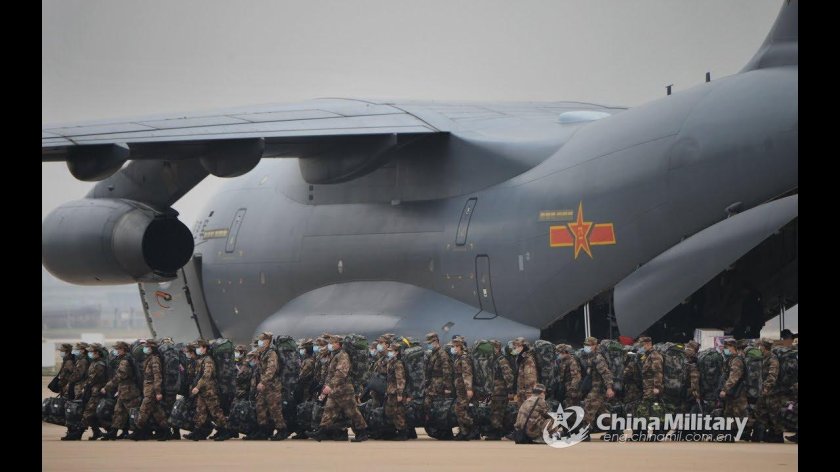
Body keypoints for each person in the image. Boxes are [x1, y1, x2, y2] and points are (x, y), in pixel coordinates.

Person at [309, 334, 369, 442]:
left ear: (339, 344)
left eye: (333, 343)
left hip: (344, 389)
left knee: (352, 412)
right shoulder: (335, 354)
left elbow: (341, 373)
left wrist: (330, 386)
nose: (331, 345)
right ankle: (321, 432)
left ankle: (362, 432)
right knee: (329, 410)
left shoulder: (343, 355)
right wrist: (326, 386)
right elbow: (331, 373)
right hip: (335, 389)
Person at [186, 339, 232, 441]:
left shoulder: (208, 360)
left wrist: (197, 387)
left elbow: (207, 375)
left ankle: (225, 431)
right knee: (200, 411)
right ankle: (197, 432)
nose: (198, 349)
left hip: (209, 390)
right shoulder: (202, 360)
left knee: (215, 412)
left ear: (204, 348)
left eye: (199, 347)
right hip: (203, 391)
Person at [248, 332, 288, 441]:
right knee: (260, 407)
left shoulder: (271, 353)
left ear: (268, 341)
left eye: (262, 340)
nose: (260, 342)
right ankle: (263, 430)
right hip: (263, 386)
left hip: (272, 386)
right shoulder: (262, 352)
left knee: (274, 409)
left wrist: (263, 382)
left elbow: (271, 369)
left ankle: (282, 430)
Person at [130, 339, 171, 440]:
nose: (145, 348)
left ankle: (138, 431)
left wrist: (158, 392)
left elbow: (157, 376)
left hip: (151, 390)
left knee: (143, 411)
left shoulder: (154, 360)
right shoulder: (149, 358)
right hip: (148, 389)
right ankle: (166, 431)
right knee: (157, 412)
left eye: (147, 347)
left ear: (152, 348)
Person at [100, 341, 141, 440]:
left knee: (133, 413)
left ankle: (139, 431)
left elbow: (119, 377)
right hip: (123, 391)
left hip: (129, 391)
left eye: (118, 349)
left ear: (123, 349)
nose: (117, 351)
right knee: (118, 412)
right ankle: (113, 432)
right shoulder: (124, 359)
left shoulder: (125, 361)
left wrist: (106, 387)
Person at [581, 337, 614, 440]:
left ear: (595, 345)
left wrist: (609, 388)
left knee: (588, 407)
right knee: (602, 411)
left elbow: (606, 373)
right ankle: (616, 430)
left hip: (598, 388)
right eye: (586, 345)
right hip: (594, 387)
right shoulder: (590, 356)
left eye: (589, 345)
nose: (587, 347)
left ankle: (585, 434)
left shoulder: (598, 358)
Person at [752, 338, 783, 443]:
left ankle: (778, 436)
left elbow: (773, 374)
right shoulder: (763, 357)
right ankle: (764, 435)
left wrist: (766, 387)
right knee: (761, 412)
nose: (759, 348)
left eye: (760, 346)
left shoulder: (772, 359)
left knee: (774, 414)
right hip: (764, 391)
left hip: (772, 392)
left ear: (764, 347)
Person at [635, 336, 664, 441]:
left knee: (651, 410)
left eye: (641, 345)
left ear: (647, 344)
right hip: (647, 387)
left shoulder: (654, 355)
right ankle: (645, 433)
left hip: (652, 388)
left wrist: (657, 387)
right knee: (649, 410)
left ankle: (656, 433)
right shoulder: (646, 356)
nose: (640, 347)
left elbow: (658, 372)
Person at [719, 338, 748, 442]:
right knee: (729, 413)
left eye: (727, 347)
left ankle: (744, 434)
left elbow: (734, 377)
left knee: (738, 413)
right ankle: (729, 436)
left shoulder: (737, 360)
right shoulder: (731, 359)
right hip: (733, 391)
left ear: (733, 347)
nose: (726, 349)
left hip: (737, 392)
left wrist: (725, 389)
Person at [485, 339, 514, 440]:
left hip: (501, 391)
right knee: (496, 411)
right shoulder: (494, 359)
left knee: (497, 411)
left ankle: (496, 433)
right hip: (495, 390)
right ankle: (498, 430)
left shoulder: (502, 360)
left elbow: (508, 376)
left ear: (496, 348)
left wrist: (510, 391)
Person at [451, 337, 477, 440]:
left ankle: (473, 427)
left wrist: (469, 388)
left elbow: (467, 373)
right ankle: (464, 431)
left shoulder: (464, 358)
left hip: (464, 389)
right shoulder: (458, 357)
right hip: (460, 388)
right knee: (460, 410)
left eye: (455, 346)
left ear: (460, 346)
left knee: (460, 409)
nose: (454, 348)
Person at [422, 332, 453, 418]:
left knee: (437, 408)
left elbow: (447, 371)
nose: (428, 345)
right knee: (428, 406)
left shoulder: (442, 354)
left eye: (429, 343)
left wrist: (447, 388)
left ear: (436, 341)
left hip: (439, 386)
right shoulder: (433, 353)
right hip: (433, 385)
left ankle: (438, 427)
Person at [384, 342, 408, 440]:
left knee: (398, 412)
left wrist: (400, 393)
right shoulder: (391, 362)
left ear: (397, 352)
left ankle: (402, 432)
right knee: (391, 412)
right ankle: (396, 430)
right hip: (391, 390)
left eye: (391, 351)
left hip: (395, 391)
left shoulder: (398, 364)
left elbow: (400, 379)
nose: (389, 353)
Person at [510, 337, 537, 406]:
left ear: (521, 346)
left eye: (515, 347)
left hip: (526, 394)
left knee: (526, 414)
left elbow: (530, 378)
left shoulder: (527, 360)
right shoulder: (521, 358)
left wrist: (529, 394)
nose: (514, 349)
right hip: (521, 393)